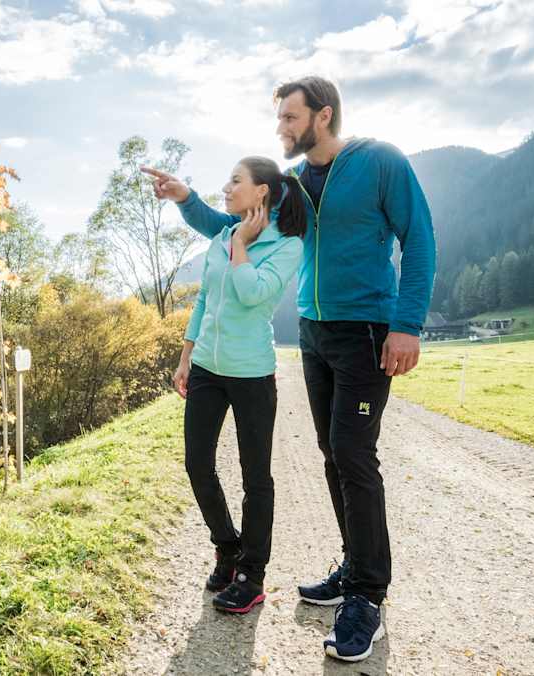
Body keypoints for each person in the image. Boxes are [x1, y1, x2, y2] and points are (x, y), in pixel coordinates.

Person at [144, 75, 436, 662]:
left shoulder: (381, 162)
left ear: (322, 117)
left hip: (368, 329)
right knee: (332, 451)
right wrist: (186, 199)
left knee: (354, 452)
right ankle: (355, 566)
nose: (280, 128)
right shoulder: (296, 184)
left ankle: (368, 596)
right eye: (279, 118)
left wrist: (407, 324)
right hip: (313, 332)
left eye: (290, 118)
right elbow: (233, 226)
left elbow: (420, 238)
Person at [171, 156, 305, 615]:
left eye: (235, 181)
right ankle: (226, 547)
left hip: (251, 373)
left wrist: (244, 245)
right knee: (196, 464)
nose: (226, 188)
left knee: (256, 478)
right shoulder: (223, 236)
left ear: (261, 190)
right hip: (207, 366)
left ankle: (252, 574)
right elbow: (206, 297)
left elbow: (253, 294)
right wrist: (187, 355)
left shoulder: (287, 245)